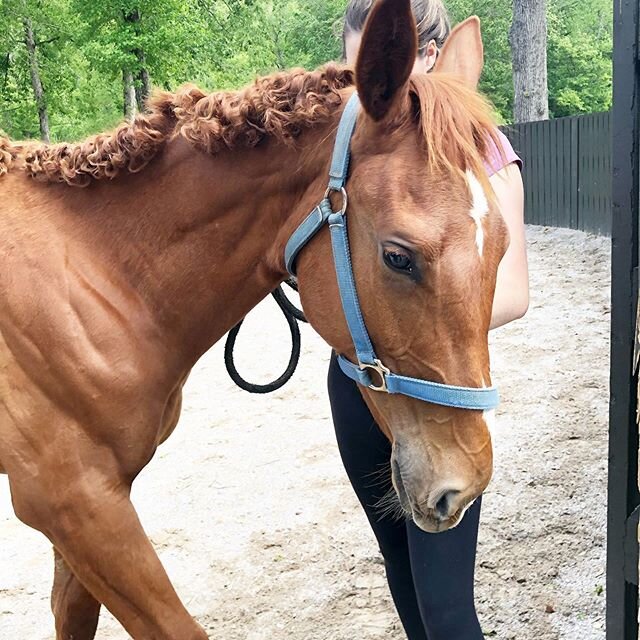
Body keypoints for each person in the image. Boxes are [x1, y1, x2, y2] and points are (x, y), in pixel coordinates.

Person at [328, 1, 530, 639]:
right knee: (399, 574)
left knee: (446, 608)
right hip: (356, 384)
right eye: (358, 67)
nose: (375, 87)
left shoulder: (485, 150)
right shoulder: (350, 150)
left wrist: (418, 316)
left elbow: (516, 292)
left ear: (433, 56)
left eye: (391, 62)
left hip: (433, 385)